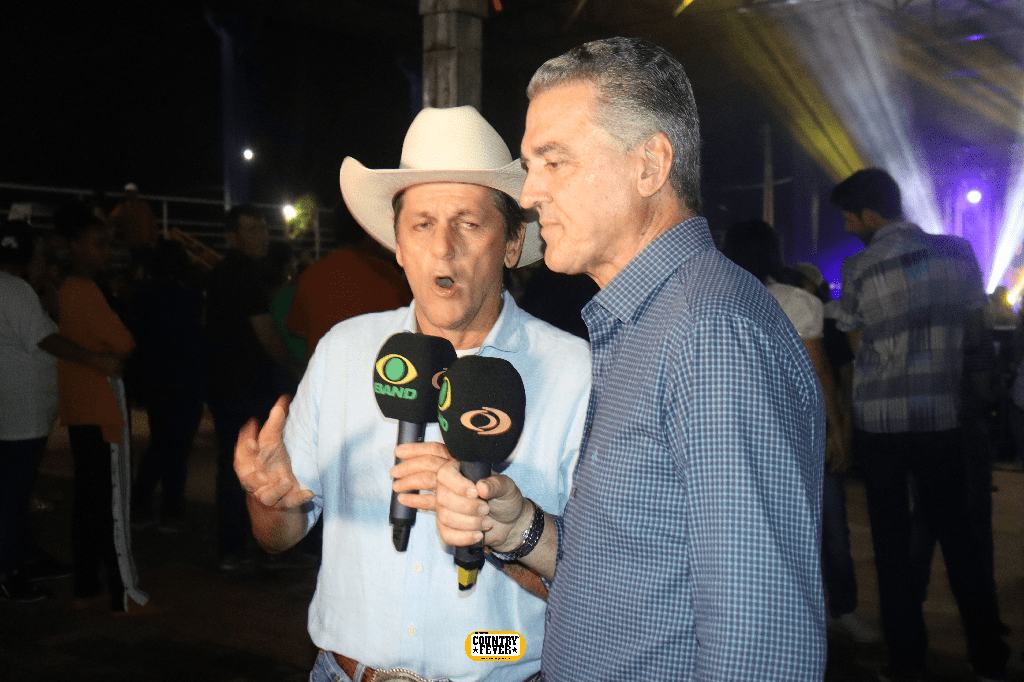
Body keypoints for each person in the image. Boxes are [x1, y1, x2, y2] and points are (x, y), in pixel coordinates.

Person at [420, 37, 827, 681]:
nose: (529, 193)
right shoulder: (647, 323)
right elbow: (630, 579)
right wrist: (519, 528)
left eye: (554, 162)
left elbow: (759, 638)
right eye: (530, 165)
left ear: (649, 165)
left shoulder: (708, 333)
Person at [233, 105, 591, 682]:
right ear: (397, 244)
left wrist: (508, 528)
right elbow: (278, 536)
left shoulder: (576, 374)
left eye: (468, 223)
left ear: (512, 241)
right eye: (422, 225)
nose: (442, 249)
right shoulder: (344, 352)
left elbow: (606, 580)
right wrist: (269, 501)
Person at [827, 168, 1009, 681]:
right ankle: (989, 657)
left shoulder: (860, 266)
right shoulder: (958, 252)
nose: (849, 226)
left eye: (850, 217)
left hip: (882, 423)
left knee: (891, 547)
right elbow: (975, 329)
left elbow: (856, 344)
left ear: (870, 215)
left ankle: (906, 662)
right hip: (942, 416)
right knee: (960, 538)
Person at [52, 201, 147, 611]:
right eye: (98, 244)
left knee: (89, 500)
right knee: (111, 503)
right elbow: (124, 341)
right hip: (102, 407)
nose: (107, 253)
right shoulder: (85, 291)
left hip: (78, 406)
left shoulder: (62, 289)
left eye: (109, 245)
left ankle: (87, 584)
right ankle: (123, 590)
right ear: (74, 246)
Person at [204, 205, 302, 570]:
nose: (262, 236)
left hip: (225, 383)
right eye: (252, 230)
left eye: (263, 228)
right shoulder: (243, 273)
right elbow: (265, 333)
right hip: (246, 385)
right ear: (232, 237)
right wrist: (294, 367)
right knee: (253, 465)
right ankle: (257, 547)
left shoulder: (223, 272)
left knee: (233, 464)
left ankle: (233, 548)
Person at [128, 239, 206, 531]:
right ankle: (171, 509)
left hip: (155, 379)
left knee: (161, 443)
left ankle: (142, 504)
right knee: (178, 446)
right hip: (185, 379)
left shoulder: (143, 296)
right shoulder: (191, 298)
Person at [284, 211, 411, 359]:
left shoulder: (311, 275)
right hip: (374, 370)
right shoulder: (388, 275)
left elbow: (296, 329)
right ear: (368, 232)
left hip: (324, 369)